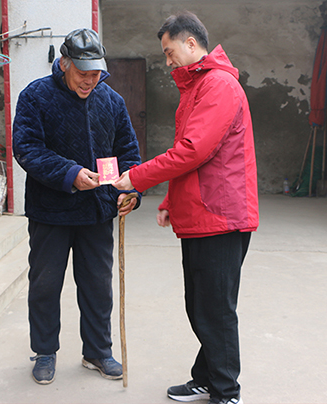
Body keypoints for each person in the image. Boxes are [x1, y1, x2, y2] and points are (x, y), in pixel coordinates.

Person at [113, 11, 259, 404]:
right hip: (202, 213)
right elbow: (191, 156)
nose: (167, 61)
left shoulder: (218, 86)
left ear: (191, 43)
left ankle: (226, 392)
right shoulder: (197, 87)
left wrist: (137, 177)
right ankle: (207, 378)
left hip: (221, 217)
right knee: (200, 306)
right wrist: (170, 201)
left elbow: (193, 151)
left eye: (169, 51)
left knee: (215, 310)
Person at [12, 28, 141, 385]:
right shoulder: (35, 96)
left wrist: (131, 190)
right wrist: (69, 174)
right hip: (50, 211)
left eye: (96, 73)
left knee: (98, 285)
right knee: (45, 285)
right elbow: (27, 149)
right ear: (65, 63)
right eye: (83, 72)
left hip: (97, 211)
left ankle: (97, 352)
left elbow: (128, 151)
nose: (90, 80)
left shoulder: (112, 101)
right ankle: (44, 351)